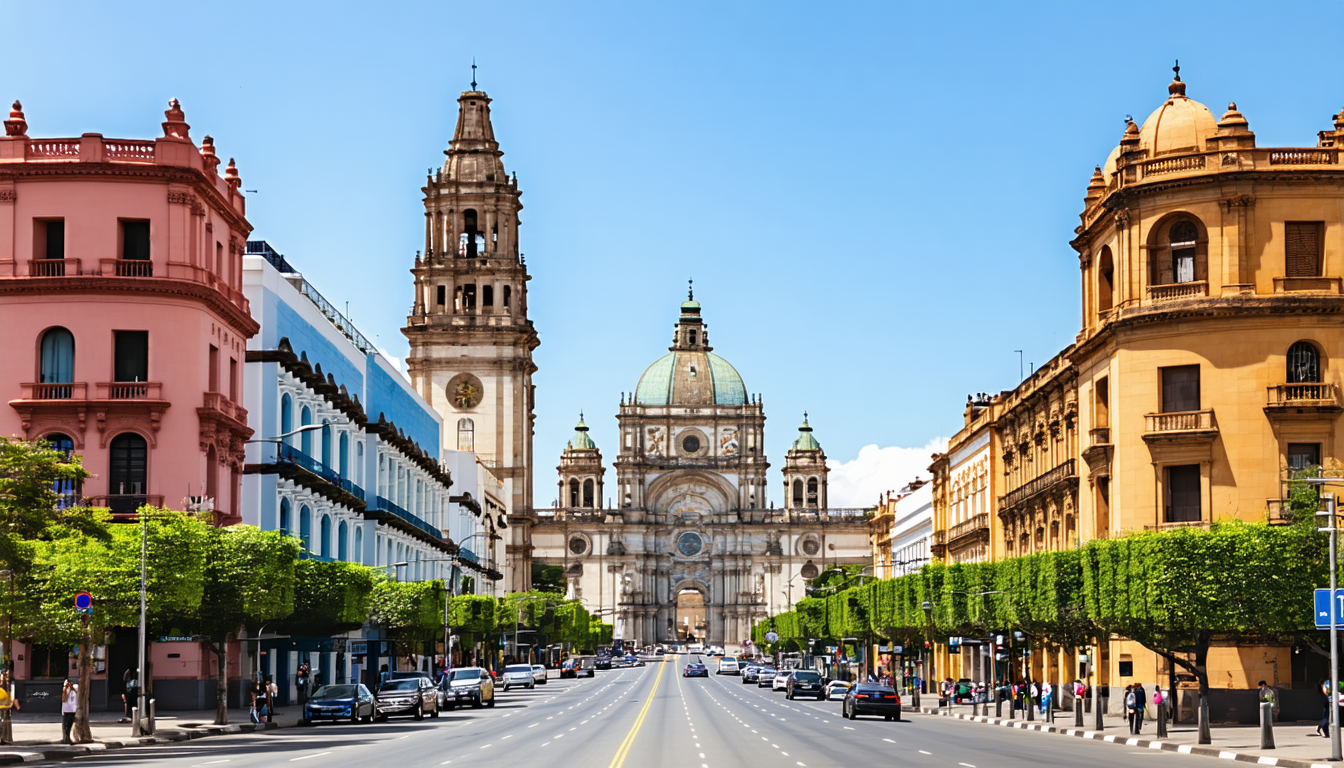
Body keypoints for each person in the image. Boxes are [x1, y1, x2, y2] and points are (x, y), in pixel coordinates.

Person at [60, 679, 77, 744]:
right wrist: (66, 687)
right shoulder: (65, 690)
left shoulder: (75, 689)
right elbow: (64, 699)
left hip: (73, 710)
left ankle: (68, 737)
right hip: (66, 710)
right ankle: (66, 738)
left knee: (70, 725)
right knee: (65, 726)